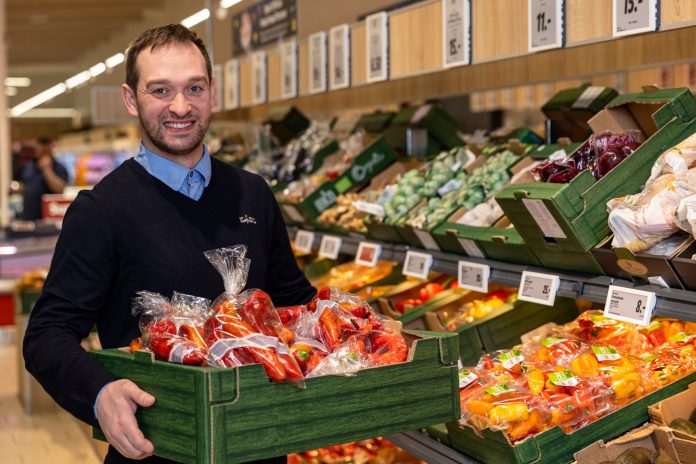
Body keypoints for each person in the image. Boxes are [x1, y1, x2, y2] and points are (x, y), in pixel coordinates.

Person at [23, 24, 315, 464]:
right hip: (157, 448)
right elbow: (47, 335)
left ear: (212, 92)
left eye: (194, 88)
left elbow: (294, 303)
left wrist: (353, 333)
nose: (180, 106)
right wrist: (101, 394)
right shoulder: (101, 210)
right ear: (131, 99)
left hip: (259, 441)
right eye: (160, 90)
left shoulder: (253, 193)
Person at [18, 137, 69, 220]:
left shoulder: (58, 168)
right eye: (40, 149)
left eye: (45, 150)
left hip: (47, 219)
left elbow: (59, 189)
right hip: (28, 217)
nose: (42, 152)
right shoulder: (30, 165)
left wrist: (47, 169)